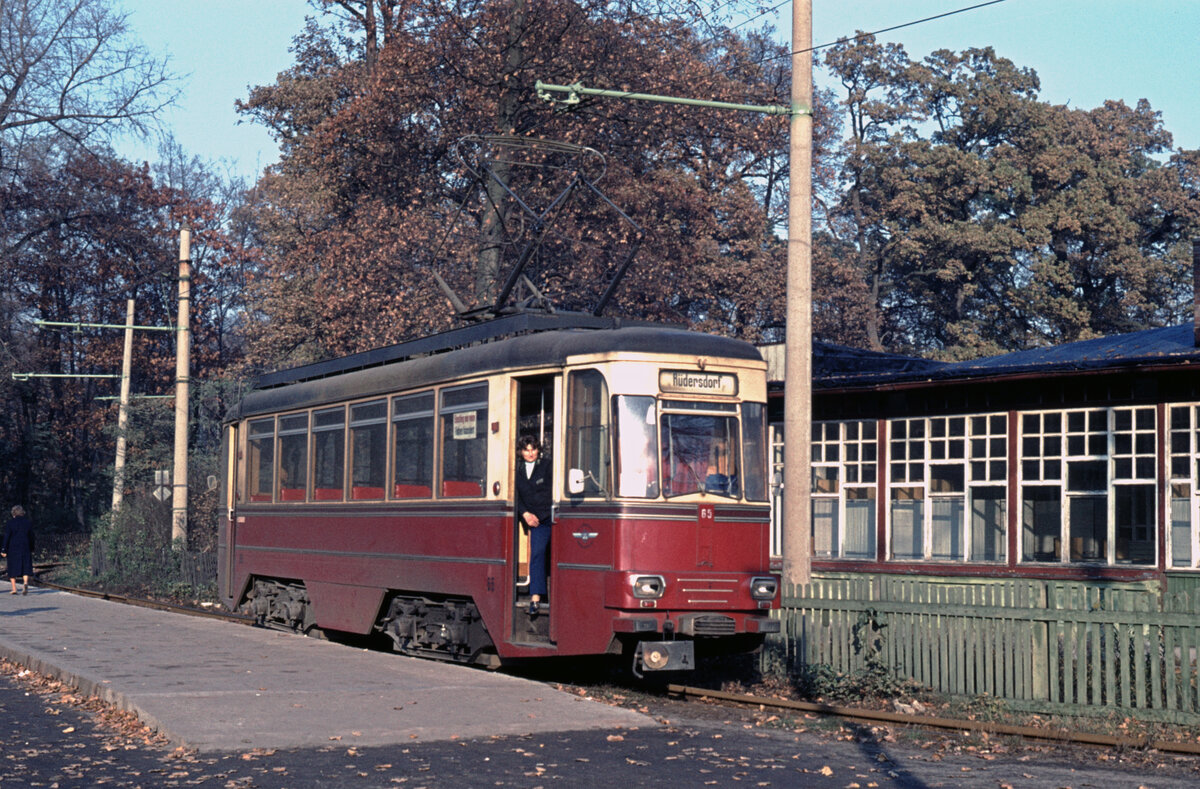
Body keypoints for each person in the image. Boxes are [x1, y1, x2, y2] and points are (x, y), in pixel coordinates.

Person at [514, 435, 552, 617]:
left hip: (549, 517)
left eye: (533, 449)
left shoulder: (548, 466)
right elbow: (516, 496)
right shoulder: (516, 470)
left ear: (538, 450)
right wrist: (525, 514)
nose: (530, 453)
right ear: (521, 452)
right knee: (536, 554)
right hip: (532, 519)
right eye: (526, 450)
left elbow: (553, 490)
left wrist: (541, 514)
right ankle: (535, 599)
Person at [2, 505, 35, 595]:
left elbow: (7, 536)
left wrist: (3, 549)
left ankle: (14, 589)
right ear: (22, 513)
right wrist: (32, 547)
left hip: (13, 548)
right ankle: (25, 583)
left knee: (12, 568)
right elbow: (31, 536)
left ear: (13, 513)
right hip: (25, 547)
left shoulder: (10, 523)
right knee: (25, 566)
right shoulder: (28, 523)